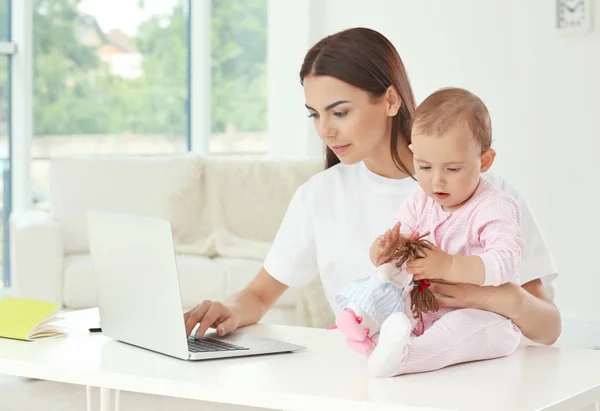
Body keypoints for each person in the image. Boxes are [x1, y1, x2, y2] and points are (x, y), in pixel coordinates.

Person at [183, 28, 561, 355]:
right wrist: (227, 310)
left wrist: (496, 297)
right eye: (315, 114)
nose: (325, 131)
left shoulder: (485, 196)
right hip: (367, 384)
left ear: (391, 101)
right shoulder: (319, 196)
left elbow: (548, 328)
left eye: (340, 112)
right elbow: (259, 297)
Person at [332, 87, 524, 376]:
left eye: (453, 169)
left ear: (484, 161)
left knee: (457, 331)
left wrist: (448, 265)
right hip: (425, 313)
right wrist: (384, 250)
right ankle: (367, 328)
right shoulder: (420, 201)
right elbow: (401, 240)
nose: (437, 181)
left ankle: (404, 359)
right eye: (424, 166)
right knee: (388, 288)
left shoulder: (494, 206)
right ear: (414, 155)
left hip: (485, 319)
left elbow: (506, 261)